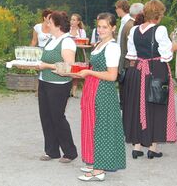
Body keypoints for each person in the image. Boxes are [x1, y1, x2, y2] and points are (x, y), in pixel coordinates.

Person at [123, 0, 177, 159]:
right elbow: (166, 55)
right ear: (159, 15)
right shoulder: (160, 30)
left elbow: (132, 55)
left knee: (139, 105)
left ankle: (137, 146)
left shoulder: (134, 30)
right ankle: (153, 147)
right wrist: (173, 46)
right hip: (156, 69)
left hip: (138, 70)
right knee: (156, 105)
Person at [77, 12, 126, 181]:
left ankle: (99, 170)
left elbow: (112, 76)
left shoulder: (112, 47)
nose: (101, 30)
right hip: (93, 88)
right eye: (99, 26)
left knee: (101, 128)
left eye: (105, 27)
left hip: (103, 91)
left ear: (113, 28)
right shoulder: (99, 44)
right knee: (92, 126)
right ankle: (94, 162)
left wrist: (89, 71)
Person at [37, 11, 78, 163]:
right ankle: (52, 150)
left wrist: (46, 65)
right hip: (45, 82)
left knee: (58, 117)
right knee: (46, 117)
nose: (47, 25)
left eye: (50, 22)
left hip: (59, 85)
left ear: (58, 26)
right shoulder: (51, 39)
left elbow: (69, 65)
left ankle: (70, 152)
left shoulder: (67, 42)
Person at [115, 0, 135, 107]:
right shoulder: (124, 22)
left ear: (121, 8)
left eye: (116, 8)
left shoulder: (129, 23)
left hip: (126, 60)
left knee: (124, 84)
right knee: (122, 85)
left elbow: (127, 45)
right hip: (121, 57)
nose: (116, 10)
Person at [69, 13, 86, 98]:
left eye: (74, 20)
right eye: (71, 19)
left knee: (76, 72)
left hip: (78, 52)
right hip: (68, 51)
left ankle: (74, 91)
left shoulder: (81, 31)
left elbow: (84, 43)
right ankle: (67, 89)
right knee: (68, 70)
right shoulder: (67, 30)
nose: (72, 21)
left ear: (78, 22)